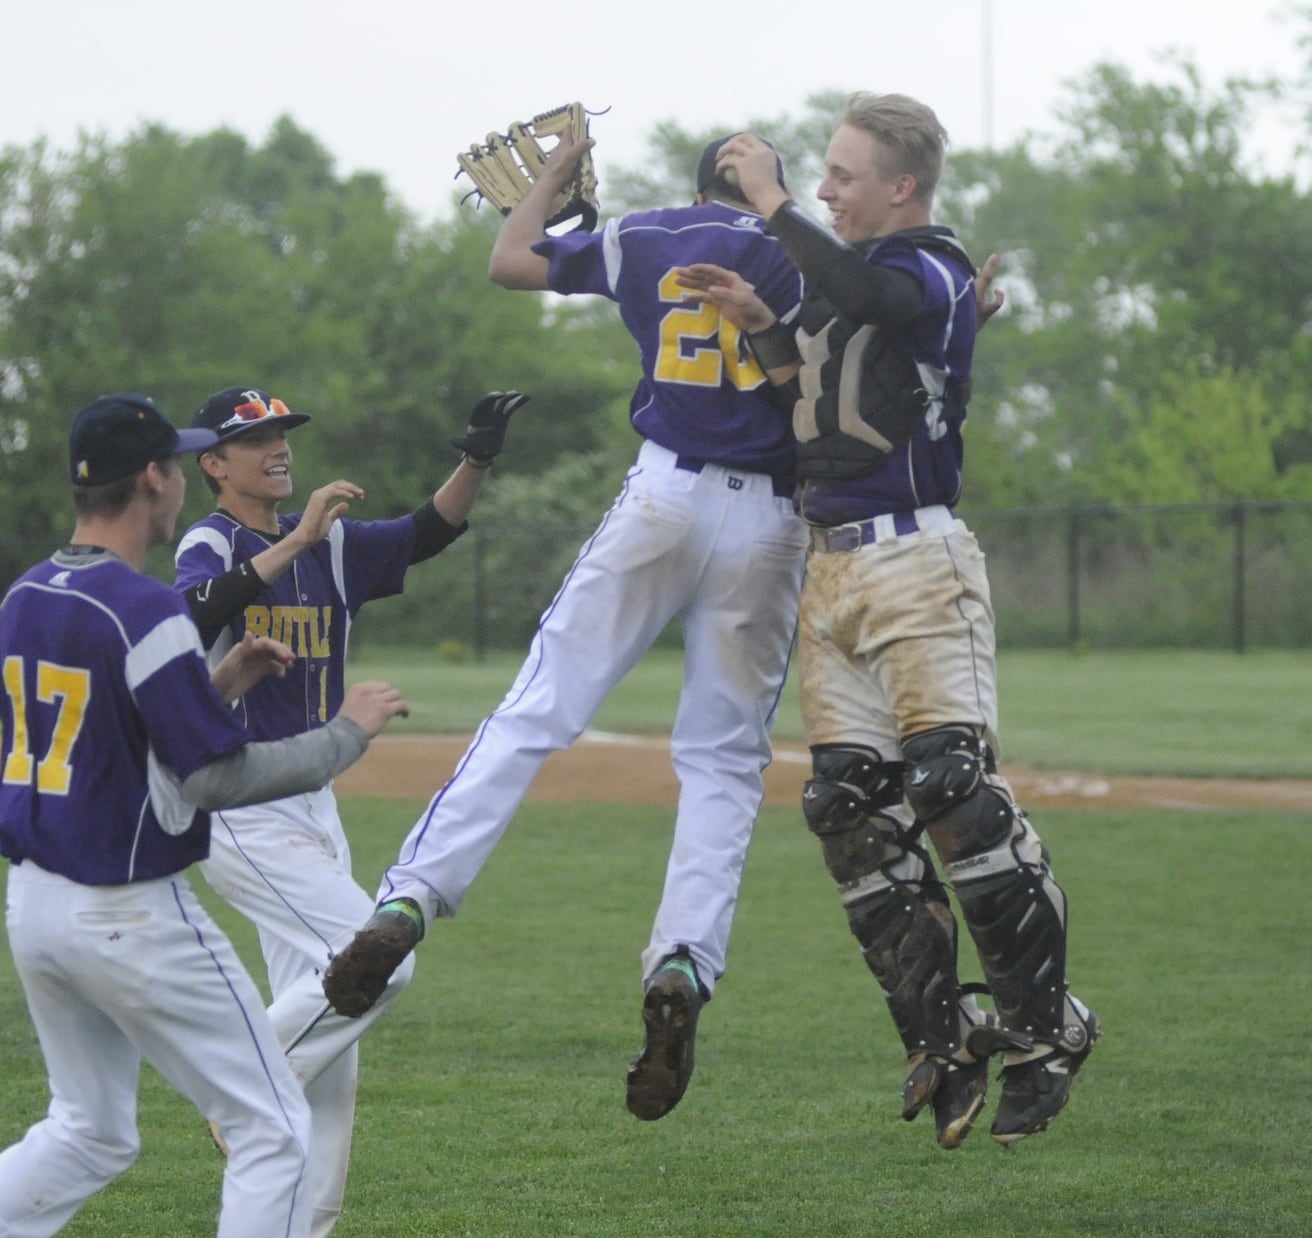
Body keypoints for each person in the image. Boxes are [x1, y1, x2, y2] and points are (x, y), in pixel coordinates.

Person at [322, 127, 811, 1125]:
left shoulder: (644, 233)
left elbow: (510, 259)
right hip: (769, 517)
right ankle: (680, 960)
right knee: (720, 761)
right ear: (768, 180)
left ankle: (409, 899)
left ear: (692, 182)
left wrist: (549, 178)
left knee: (536, 709)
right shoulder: (805, 250)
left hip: (661, 493)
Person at [675, 91, 1099, 1149]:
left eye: (841, 174)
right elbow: (808, 403)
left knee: (951, 783)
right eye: (816, 174)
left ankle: (1048, 1026)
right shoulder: (846, 291)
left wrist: (767, 201)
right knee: (844, 804)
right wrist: (761, 325)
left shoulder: (931, 266)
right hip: (831, 572)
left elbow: (875, 290)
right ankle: (939, 1032)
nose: (822, 187)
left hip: (916, 559)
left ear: (900, 186)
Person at [0, 393, 409, 1238]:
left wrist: (228, 678)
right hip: (127, 910)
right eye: (174, 464)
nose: (177, 481)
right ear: (156, 482)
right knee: (273, 1128)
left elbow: (123, 735)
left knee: (88, 1132)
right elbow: (212, 777)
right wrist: (347, 734)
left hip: (33, 907)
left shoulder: (25, 595)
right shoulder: (146, 608)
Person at [172, 384, 526, 1237]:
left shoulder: (333, 549)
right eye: (255, 439)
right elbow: (188, 616)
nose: (278, 447)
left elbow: (426, 532)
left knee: (336, 1039)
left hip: (312, 807)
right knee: (382, 960)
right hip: (241, 809)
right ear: (215, 464)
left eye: (283, 432)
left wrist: (474, 460)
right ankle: (243, 1092)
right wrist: (295, 538)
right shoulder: (211, 538)